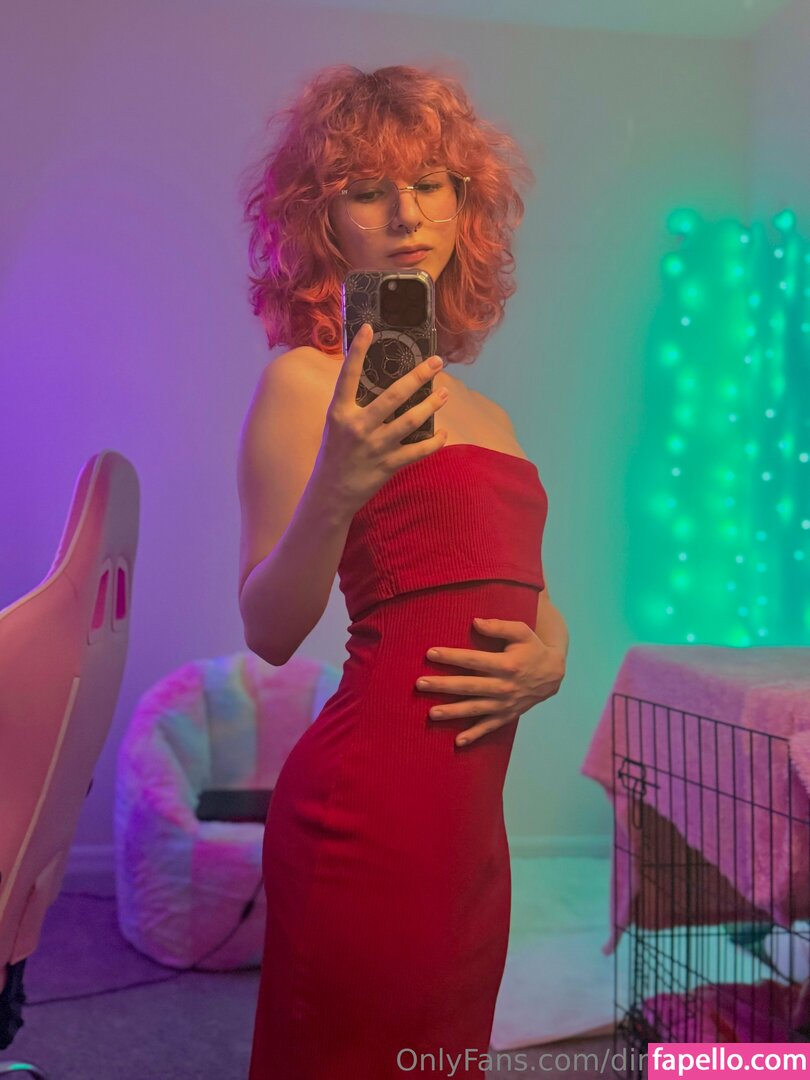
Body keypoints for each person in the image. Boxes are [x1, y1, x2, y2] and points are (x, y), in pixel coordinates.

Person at [237, 63, 567, 1079]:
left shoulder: (490, 416)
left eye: (430, 183)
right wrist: (335, 485)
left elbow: (529, 594)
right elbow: (268, 630)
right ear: (323, 221)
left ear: (467, 204)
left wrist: (552, 657)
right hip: (366, 816)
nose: (407, 213)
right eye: (368, 189)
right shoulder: (306, 384)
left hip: (470, 834)